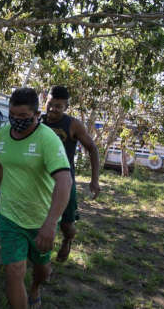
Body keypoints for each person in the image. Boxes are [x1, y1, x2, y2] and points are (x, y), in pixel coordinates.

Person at [0, 87, 72, 309]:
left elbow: (64, 181)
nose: (16, 120)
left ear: (36, 115)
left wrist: (50, 224)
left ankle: (35, 288)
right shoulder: (3, 134)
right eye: (12, 115)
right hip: (10, 215)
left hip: (41, 219)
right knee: (14, 271)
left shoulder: (47, 140)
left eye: (23, 116)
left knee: (42, 270)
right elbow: (1, 166)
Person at [42, 86, 101, 263]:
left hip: (64, 182)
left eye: (58, 106)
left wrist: (95, 180)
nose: (53, 109)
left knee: (67, 225)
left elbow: (92, 148)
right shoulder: (37, 120)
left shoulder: (73, 124)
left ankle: (67, 240)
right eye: (50, 104)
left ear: (66, 106)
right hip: (40, 181)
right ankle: (39, 258)